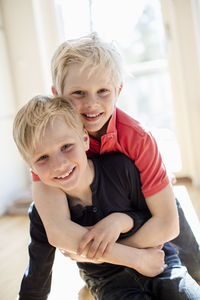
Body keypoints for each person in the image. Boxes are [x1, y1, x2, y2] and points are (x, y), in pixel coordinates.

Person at [31, 33, 200, 282]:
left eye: (103, 91)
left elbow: (166, 223)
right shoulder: (47, 140)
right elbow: (59, 231)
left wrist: (103, 252)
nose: (92, 104)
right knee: (38, 211)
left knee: (194, 267)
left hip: (145, 204)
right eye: (78, 92)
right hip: (94, 211)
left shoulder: (138, 138)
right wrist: (125, 257)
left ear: (118, 91)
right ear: (57, 95)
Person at [13, 95, 200, 299]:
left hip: (157, 260)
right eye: (42, 158)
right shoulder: (44, 213)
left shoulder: (121, 169)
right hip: (106, 280)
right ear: (31, 168)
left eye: (66, 147)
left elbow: (154, 217)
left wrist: (123, 221)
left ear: (85, 139)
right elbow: (37, 273)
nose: (58, 164)